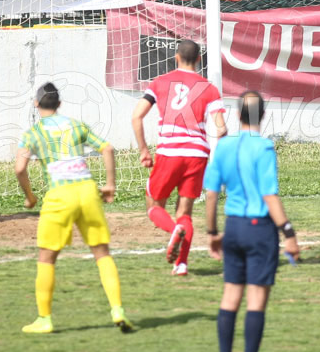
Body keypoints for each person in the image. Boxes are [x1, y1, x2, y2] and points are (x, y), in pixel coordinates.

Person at [15, 82, 133, 334]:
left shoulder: (33, 134)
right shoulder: (76, 125)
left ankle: (44, 319)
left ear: (37, 105)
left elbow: (19, 168)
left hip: (59, 195)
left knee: (47, 257)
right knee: (102, 253)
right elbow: (107, 148)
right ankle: (117, 310)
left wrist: (30, 196)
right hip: (87, 190)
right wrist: (110, 184)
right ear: (59, 104)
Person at [204, 91, 300, 352]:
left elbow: (210, 195)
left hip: (232, 227)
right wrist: (289, 232)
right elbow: (269, 194)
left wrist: (212, 232)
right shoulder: (264, 148)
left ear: (237, 115)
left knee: (230, 296)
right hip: (259, 229)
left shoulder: (222, 146)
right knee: (256, 300)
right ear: (264, 115)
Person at [131, 39, 227, 276]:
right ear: (198, 60)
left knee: (153, 206)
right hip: (197, 153)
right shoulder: (209, 88)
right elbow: (222, 129)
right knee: (185, 212)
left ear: (175, 57)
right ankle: (181, 264)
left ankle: (174, 231)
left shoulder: (160, 83)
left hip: (170, 151)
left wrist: (144, 150)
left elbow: (136, 117)